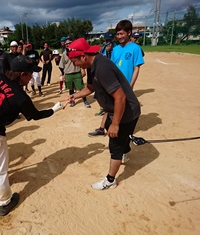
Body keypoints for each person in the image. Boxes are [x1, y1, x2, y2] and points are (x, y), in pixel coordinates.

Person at [0, 55, 63, 216]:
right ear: (21, 74)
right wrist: (54, 109)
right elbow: (35, 115)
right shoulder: (20, 95)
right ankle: (5, 202)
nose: (31, 77)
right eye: (30, 73)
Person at [65, 37, 141, 190]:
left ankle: (110, 180)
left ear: (83, 56)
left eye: (74, 61)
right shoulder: (91, 65)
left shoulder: (102, 68)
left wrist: (115, 123)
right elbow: (91, 88)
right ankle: (125, 150)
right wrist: (75, 96)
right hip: (116, 109)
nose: (75, 65)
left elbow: (120, 97)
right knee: (113, 132)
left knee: (115, 144)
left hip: (126, 111)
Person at [88, 20, 144, 146]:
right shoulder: (116, 49)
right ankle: (102, 128)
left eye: (121, 34)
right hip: (113, 83)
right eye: (117, 34)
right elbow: (111, 66)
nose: (119, 37)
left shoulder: (135, 48)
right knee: (109, 106)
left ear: (129, 33)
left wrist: (131, 85)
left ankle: (123, 139)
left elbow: (136, 68)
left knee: (121, 107)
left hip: (125, 85)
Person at [59, 38, 90, 108]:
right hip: (68, 74)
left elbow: (82, 61)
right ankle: (72, 101)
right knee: (71, 89)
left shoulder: (77, 52)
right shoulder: (64, 54)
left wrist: (83, 70)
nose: (68, 45)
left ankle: (85, 101)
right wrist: (63, 74)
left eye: (69, 43)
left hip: (77, 73)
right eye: (66, 44)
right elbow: (61, 66)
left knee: (81, 88)